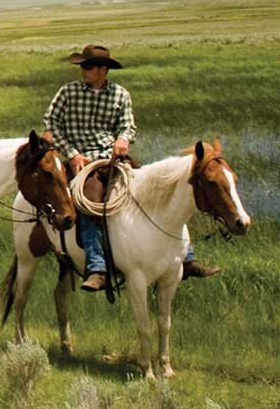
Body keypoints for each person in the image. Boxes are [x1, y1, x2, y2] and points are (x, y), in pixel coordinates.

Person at [42, 45, 218, 292]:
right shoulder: (68, 92)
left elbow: (128, 126)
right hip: (83, 162)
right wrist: (72, 154)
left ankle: (187, 258)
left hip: (115, 159)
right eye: (83, 66)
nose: (84, 70)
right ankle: (97, 267)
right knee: (90, 202)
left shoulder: (120, 94)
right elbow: (51, 123)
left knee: (159, 192)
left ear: (103, 70)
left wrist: (123, 139)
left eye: (88, 66)